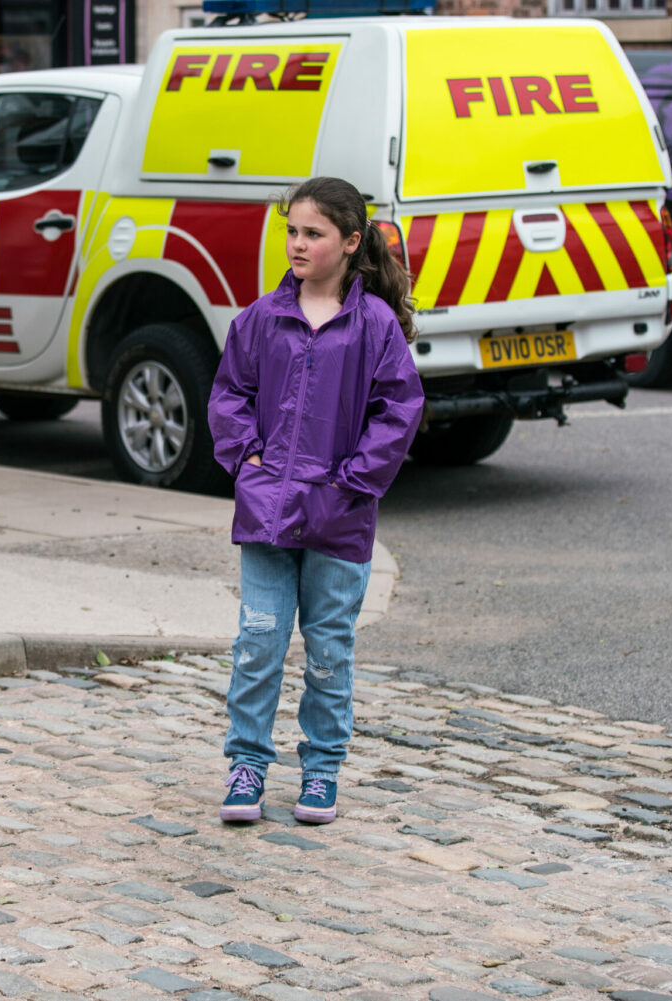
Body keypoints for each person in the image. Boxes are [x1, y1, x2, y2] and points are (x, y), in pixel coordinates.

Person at [207, 176, 424, 826]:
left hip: (338, 519)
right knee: (258, 640)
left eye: (313, 233)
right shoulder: (262, 319)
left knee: (329, 649)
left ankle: (322, 769)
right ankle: (246, 763)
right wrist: (247, 461)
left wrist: (353, 481)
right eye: (292, 230)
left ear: (351, 242)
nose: (297, 244)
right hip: (267, 515)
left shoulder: (374, 327)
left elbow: (399, 410)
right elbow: (228, 395)